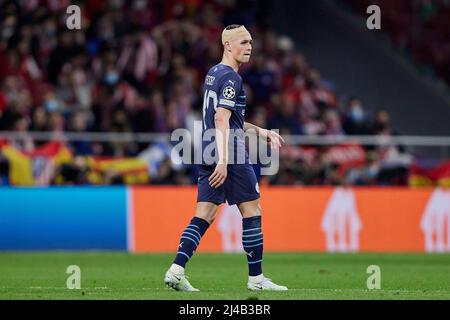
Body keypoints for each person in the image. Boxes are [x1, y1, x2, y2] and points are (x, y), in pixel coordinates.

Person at [164, 25, 288, 291]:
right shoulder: (233, 78)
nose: (249, 47)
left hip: (208, 144)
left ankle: (176, 270)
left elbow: (228, 119)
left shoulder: (213, 73)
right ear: (228, 45)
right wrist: (223, 160)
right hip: (227, 150)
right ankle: (256, 279)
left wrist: (262, 131)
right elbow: (222, 118)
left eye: (251, 42)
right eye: (243, 42)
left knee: (205, 213)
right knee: (252, 209)